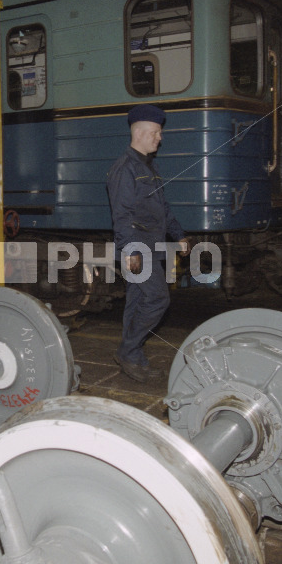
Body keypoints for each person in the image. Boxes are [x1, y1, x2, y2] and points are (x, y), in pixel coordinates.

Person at [106, 104, 188, 383]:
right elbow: (122, 215)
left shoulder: (148, 169)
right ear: (139, 133)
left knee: (137, 301)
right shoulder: (124, 169)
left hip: (151, 245)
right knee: (157, 299)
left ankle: (134, 357)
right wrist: (131, 251)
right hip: (138, 247)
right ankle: (128, 351)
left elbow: (162, 208)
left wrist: (179, 235)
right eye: (156, 133)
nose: (159, 138)